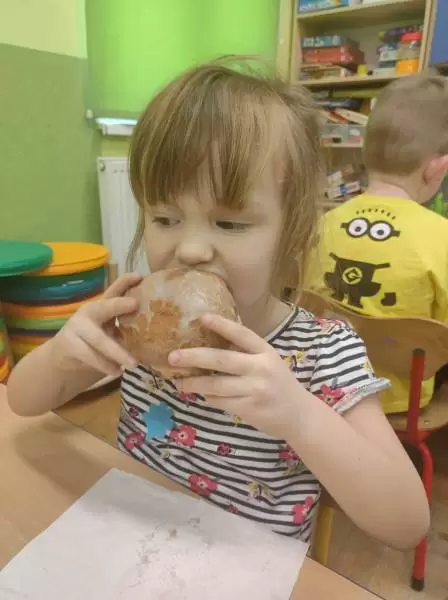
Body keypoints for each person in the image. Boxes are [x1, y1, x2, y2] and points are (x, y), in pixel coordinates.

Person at [7, 58, 429, 549]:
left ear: (291, 234)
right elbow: (21, 402)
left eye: (229, 224)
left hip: (244, 567)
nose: (189, 249)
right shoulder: (140, 325)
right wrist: (62, 354)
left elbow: (406, 522)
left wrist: (299, 416)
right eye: (165, 218)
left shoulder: (321, 354)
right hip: (130, 540)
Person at [306, 73, 448, 414]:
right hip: (401, 402)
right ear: (437, 169)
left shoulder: (321, 224)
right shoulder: (441, 235)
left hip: (323, 387)